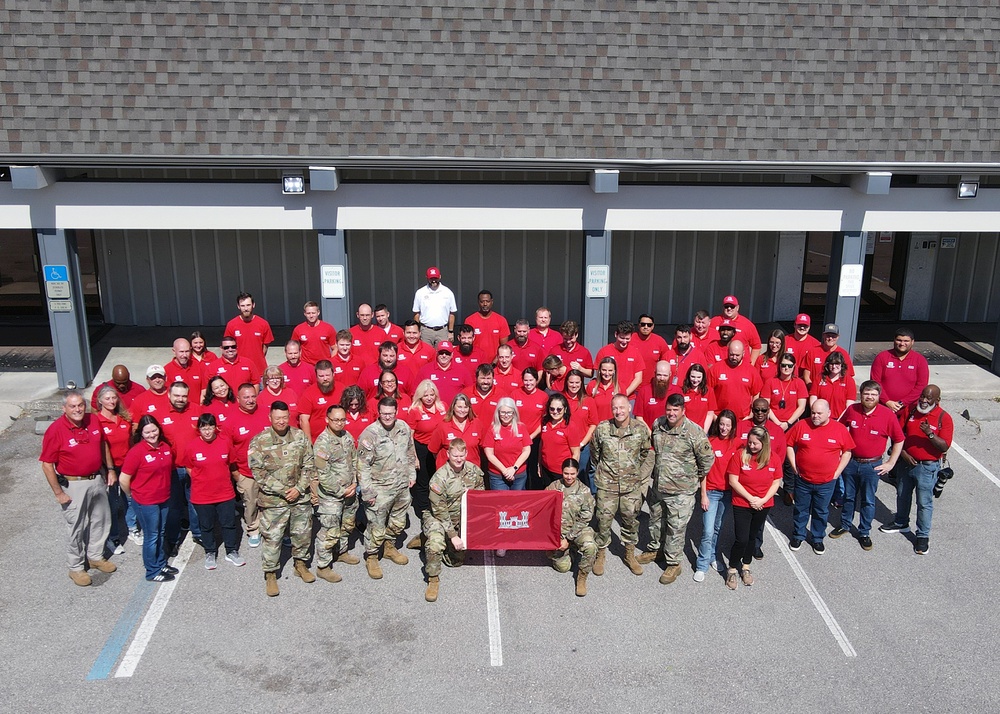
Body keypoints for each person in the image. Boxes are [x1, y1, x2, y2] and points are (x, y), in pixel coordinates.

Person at [40, 390, 117, 586]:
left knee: (101, 519)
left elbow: (103, 445)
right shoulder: (56, 430)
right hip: (73, 484)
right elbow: (47, 464)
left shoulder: (93, 420)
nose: (78, 409)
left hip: (96, 479)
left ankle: (95, 556)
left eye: (80, 405)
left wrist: (110, 469)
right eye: (73, 406)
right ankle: (76, 567)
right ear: (64, 408)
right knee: (76, 526)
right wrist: (58, 493)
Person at [639, 393, 715, 583]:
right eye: (669, 409)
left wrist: (689, 478)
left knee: (675, 529)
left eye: (675, 410)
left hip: (681, 493)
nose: (671, 414)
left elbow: (707, 460)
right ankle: (656, 550)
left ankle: (674, 564)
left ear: (683, 411)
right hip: (659, 487)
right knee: (656, 523)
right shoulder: (658, 424)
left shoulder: (694, 432)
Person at [249, 402, 316, 597]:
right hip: (273, 500)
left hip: (299, 497)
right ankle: (270, 573)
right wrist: (284, 490)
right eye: (277, 417)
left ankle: (300, 564)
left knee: (302, 534)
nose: (281, 421)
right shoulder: (259, 441)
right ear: (270, 418)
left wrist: (299, 488)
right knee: (272, 537)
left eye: (284, 417)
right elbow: (258, 472)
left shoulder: (299, 436)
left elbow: (308, 463)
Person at [879, 385, 953, 555]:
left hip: (927, 467)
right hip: (907, 463)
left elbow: (945, 445)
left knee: (924, 502)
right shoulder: (911, 410)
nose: (924, 401)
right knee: (902, 494)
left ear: (937, 400)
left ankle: (922, 536)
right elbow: (898, 433)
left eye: (929, 398)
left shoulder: (944, 418)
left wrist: (930, 434)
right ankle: (901, 522)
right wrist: (903, 453)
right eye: (923, 396)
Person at [834, 381, 904, 550]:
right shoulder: (852, 410)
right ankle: (845, 524)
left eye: (873, 394)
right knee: (849, 497)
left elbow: (899, 439)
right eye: (867, 393)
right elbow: (839, 428)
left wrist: (891, 463)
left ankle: (864, 532)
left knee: (868, 500)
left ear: (879, 397)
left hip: (872, 466)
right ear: (861, 394)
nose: (870, 397)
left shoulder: (887, 415)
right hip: (851, 462)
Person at [589, 394, 653, 577]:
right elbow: (595, 453)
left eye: (622, 407)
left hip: (630, 486)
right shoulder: (602, 429)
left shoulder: (640, 429)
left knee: (631, 521)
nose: (619, 411)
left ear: (630, 408)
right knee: (602, 521)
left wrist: (631, 470)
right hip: (606, 485)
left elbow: (644, 452)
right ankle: (601, 554)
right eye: (615, 408)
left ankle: (629, 554)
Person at [357, 398, 419, 579]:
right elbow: (362, 466)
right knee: (376, 526)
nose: (387, 417)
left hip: (401, 486)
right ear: (378, 412)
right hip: (380, 489)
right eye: (384, 413)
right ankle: (372, 556)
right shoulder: (370, 434)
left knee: (398, 522)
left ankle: (389, 547)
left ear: (396, 411)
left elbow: (409, 451)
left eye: (391, 413)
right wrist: (367, 491)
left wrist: (412, 474)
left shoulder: (403, 428)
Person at [785, 399, 855, 554]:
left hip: (826, 482)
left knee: (821, 511)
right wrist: (795, 466)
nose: (815, 416)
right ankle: (798, 535)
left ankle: (817, 538)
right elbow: (788, 444)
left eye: (819, 413)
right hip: (803, 479)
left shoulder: (839, 429)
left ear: (829, 413)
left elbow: (847, 452)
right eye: (813, 412)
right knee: (801, 509)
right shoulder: (802, 425)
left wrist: (837, 473)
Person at [422, 438, 485, 602]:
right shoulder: (439, 478)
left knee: (456, 561)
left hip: (462, 518)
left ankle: (424, 539)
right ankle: (433, 579)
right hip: (438, 517)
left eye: (461, 455)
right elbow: (440, 510)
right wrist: (452, 535)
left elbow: (480, 497)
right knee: (435, 543)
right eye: (454, 455)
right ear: (448, 454)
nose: (458, 459)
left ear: (466, 454)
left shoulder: (474, 471)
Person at [180, 414, 246, 570]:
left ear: (215, 428)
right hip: (202, 496)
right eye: (204, 428)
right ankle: (210, 552)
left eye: (210, 427)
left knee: (229, 524)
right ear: (199, 429)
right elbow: (188, 466)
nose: (207, 431)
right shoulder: (192, 446)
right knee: (207, 526)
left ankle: (231, 551)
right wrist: (198, 478)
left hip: (225, 493)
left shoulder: (225, 443)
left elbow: (231, 464)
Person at [725, 426, 782, 589]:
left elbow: (776, 482)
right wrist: (751, 499)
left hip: (763, 505)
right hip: (742, 503)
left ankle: (746, 566)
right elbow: (733, 481)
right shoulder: (739, 456)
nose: (751, 446)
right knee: (741, 538)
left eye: (755, 443)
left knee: (752, 536)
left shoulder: (774, 458)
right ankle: (733, 568)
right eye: (749, 442)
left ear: (764, 444)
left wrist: (762, 500)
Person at [119, 415, 174, 582]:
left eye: (154, 430)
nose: (152, 434)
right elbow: (123, 479)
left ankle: (160, 562)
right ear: (141, 434)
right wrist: (133, 495)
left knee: (161, 532)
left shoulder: (165, 447)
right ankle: (152, 570)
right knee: (152, 535)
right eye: (147, 432)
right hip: (146, 501)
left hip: (163, 498)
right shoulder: (136, 452)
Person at [311, 405, 361, 583]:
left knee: (347, 525)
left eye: (342, 419)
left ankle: (341, 552)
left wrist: (355, 482)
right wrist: (341, 491)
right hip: (331, 496)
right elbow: (323, 474)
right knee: (330, 531)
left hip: (350, 491)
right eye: (336, 420)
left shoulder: (347, 437)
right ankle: (323, 566)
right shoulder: (322, 443)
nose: (340, 423)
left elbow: (354, 460)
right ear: (327, 419)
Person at [223, 383, 271, 548]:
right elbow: (227, 449)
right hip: (245, 472)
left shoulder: (267, 412)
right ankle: (254, 529)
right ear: (238, 399)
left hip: (268, 470)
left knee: (271, 501)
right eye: (246, 397)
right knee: (250, 503)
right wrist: (236, 474)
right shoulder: (230, 420)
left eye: (253, 396)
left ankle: (272, 529)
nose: (250, 400)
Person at [694, 410, 739, 582]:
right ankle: (702, 565)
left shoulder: (738, 444)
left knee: (717, 528)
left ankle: (712, 555)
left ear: (733, 426)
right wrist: (703, 494)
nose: (724, 428)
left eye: (728, 425)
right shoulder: (710, 442)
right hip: (711, 492)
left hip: (727, 494)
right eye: (721, 424)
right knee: (707, 530)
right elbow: (703, 471)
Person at [159, 381, 203, 555]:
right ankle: (174, 538)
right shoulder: (160, 414)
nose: (180, 399)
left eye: (184, 396)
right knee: (174, 506)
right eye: (176, 395)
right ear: (169, 394)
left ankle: (198, 533)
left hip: (194, 467)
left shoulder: (197, 410)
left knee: (195, 502)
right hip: (172, 469)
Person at [547, 458, 598, 597]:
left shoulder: (584, 491)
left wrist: (568, 539)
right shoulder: (554, 487)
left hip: (578, 530)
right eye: (566, 473)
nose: (569, 477)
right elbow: (544, 508)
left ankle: (582, 577)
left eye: (572, 474)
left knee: (590, 546)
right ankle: (571, 551)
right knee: (563, 568)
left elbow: (585, 518)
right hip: (558, 532)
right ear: (561, 472)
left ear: (577, 473)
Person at [95, 384, 135, 554]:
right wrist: (107, 470)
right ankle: (113, 537)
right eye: (107, 398)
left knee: (130, 499)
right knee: (112, 503)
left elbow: (131, 442)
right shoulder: (96, 421)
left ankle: (132, 528)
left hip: (127, 466)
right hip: (109, 469)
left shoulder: (124, 418)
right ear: (100, 401)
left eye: (114, 397)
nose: (111, 401)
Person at [405, 379, 448, 520]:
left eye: (431, 395)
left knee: (440, 479)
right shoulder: (415, 411)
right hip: (422, 449)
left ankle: (441, 508)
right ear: (420, 397)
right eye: (425, 395)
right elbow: (410, 436)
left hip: (440, 449)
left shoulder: (443, 407)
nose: (429, 398)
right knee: (423, 481)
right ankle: (423, 511)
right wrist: (414, 457)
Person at [869, 327, 930, 413]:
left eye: (906, 341)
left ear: (912, 342)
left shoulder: (920, 360)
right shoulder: (882, 357)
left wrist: (902, 403)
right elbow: (875, 382)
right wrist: (887, 401)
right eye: (899, 340)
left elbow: (921, 385)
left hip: (909, 409)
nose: (902, 343)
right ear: (894, 340)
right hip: (883, 407)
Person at [482, 397, 532, 494]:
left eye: (509, 412)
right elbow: (489, 454)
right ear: (498, 412)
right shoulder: (492, 429)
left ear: (514, 413)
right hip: (498, 476)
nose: (506, 415)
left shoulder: (521, 427)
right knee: (501, 505)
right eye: (503, 412)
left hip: (518, 475)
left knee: (517, 504)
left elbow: (526, 450)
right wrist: (505, 471)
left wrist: (514, 468)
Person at [708, 340, 763, 420]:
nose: (734, 358)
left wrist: (751, 414)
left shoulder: (751, 371)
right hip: (719, 419)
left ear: (743, 353)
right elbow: (708, 392)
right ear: (728, 352)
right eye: (731, 354)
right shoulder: (715, 369)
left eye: (737, 355)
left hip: (743, 419)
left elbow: (756, 393)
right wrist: (713, 415)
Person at [511, 367, 547, 486]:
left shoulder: (543, 397)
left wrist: (531, 437)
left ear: (536, 380)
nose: (528, 383)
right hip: (517, 439)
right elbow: (509, 415)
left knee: (532, 469)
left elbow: (544, 421)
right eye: (526, 380)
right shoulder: (515, 394)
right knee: (519, 467)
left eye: (531, 380)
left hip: (534, 439)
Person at [428, 393, 483, 470]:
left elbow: (482, 447)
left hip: (471, 472)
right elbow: (434, 450)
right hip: (448, 473)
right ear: (453, 407)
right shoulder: (443, 425)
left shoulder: (476, 423)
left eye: (466, 407)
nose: (463, 410)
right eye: (459, 407)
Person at [224, 291, 273, 374]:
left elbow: (265, 346)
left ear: (253, 305)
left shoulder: (263, 324)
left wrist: (257, 358)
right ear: (238, 306)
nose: (246, 308)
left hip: (259, 370)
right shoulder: (231, 325)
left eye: (248, 305)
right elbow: (227, 347)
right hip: (239, 370)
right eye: (242, 306)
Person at [538, 393, 580, 484]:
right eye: (552, 409)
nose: (555, 412)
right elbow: (542, 444)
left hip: (561, 472)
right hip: (546, 469)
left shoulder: (570, 426)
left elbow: (576, 453)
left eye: (559, 409)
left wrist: (570, 474)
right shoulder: (545, 422)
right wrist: (539, 463)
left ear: (565, 409)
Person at [595, 321, 645, 397]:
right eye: (622, 338)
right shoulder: (604, 351)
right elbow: (598, 374)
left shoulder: (635, 353)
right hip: (607, 396)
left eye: (627, 338)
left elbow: (638, 378)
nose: (624, 341)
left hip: (629, 397)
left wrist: (624, 394)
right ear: (616, 334)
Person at [416, 340, 473, 405]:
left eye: (447, 353)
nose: (444, 355)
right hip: (433, 412)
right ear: (437, 353)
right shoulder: (425, 370)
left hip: (456, 412)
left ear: (452, 354)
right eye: (441, 353)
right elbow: (416, 393)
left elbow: (470, 392)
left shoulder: (462, 370)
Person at [298, 360, 341, 442]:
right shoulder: (308, 393)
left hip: (339, 440)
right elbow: (303, 420)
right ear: (316, 377)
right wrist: (309, 444)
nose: (325, 379)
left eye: (327, 375)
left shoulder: (342, 389)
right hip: (317, 442)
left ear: (333, 374)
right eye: (321, 376)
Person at [412, 266, 457, 346]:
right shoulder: (420, 293)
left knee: (442, 354)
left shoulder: (448, 292)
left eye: (435, 278)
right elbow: (416, 314)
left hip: (442, 331)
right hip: (425, 331)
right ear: (427, 278)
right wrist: (417, 330)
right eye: (431, 278)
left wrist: (450, 331)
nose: (433, 280)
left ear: (440, 277)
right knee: (425, 354)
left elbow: (452, 313)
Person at [710, 295, 762, 362]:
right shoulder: (714, 322)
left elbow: (756, 346)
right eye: (726, 306)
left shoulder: (747, 324)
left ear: (737, 308)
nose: (729, 308)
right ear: (723, 307)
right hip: (718, 364)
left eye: (732, 306)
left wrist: (751, 364)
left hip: (741, 366)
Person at [809, 351, 857, 420]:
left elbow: (849, 405)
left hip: (840, 419)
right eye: (831, 364)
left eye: (837, 363)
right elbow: (813, 398)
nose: (834, 366)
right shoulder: (819, 378)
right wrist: (818, 415)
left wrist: (840, 420)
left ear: (842, 365)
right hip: (821, 418)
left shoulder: (849, 381)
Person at [464, 289, 510, 360]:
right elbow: (467, 343)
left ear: (492, 302)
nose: (485, 304)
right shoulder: (469, 320)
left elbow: (504, 346)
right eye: (482, 301)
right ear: (478, 302)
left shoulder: (501, 320)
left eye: (487, 301)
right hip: (476, 361)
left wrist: (495, 362)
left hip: (495, 363)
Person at [633, 360, 679, 430]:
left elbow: (680, 415)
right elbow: (639, 417)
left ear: (670, 374)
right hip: (649, 434)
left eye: (665, 375)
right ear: (655, 373)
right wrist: (650, 434)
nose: (662, 378)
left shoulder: (677, 391)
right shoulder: (644, 391)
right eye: (659, 375)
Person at [293, 300, 337, 365]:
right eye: (308, 313)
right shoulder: (298, 329)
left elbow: (335, 348)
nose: (311, 316)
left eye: (313, 313)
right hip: (306, 365)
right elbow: (293, 348)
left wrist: (330, 361)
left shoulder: (328, 328)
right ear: (304, 314)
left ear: (318, 312)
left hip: (323, 366)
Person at [164, 337, 206, 404]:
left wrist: (201, 406)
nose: (184, 355)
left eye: (187, 351)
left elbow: (204, 389)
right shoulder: (167, 370)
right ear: (174, 351)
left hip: (197, 409)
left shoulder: (197, 365)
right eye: (181, 352)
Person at [679, 363, 717, 432]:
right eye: (693, 376)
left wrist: (704, 432)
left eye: (699, 377)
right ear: (688, 376)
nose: (695, 380)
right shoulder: (682, 391)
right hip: (685, 431)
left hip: (701, 430)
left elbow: (710, 414)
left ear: (703, 377)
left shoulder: (709, 391)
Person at [587, 357, 619, 422]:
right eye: (604, 370)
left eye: (610, 370)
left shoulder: (620, 387)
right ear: (599, 370)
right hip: (596, 426)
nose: (607, 373)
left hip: (614, 427)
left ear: (614, 371)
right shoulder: (592, 385)